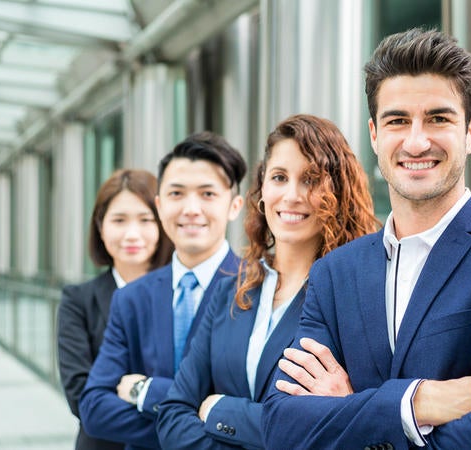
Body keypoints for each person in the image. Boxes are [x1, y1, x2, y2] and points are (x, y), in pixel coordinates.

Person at [262, 28, 471, 450]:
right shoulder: (334, 273)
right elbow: (284, 425)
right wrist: (416, 402)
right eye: (397, 121)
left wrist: (350, 408)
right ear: (374, 135)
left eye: (438, 118)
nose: (416, 141)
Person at [155, 114, 379, 449]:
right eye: (279, 177)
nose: (291, 195)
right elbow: (173, 413)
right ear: (262, 191)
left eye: (310, 179)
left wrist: (219, 409)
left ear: (338, 192)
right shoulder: (230, 289)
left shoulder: (354, 298)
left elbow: (335, 427)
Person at [79, 132, 247, 450]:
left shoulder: (257, 289)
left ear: (234, 205)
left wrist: (145, 391)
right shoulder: (131, 298)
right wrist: (197, 422)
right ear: (159, 204)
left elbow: (251, 410)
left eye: (208, 194)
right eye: (177, 194)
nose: (191, 208)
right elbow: (94, 409)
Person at [58, 169, 174, 450]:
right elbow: (81, 398)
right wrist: (180, 425)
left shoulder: (186, 290)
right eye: (119, 220)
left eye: (146, 220)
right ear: (100, 226)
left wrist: (126, 391)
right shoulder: (78, 300)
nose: (131, 234)